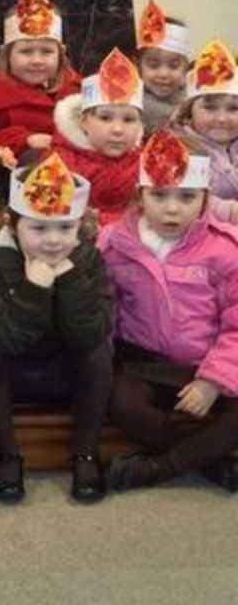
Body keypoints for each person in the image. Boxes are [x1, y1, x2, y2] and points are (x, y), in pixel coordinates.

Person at [102, 131, 238, 493]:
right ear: (140, 196)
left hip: (210, 362)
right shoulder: (114, 245)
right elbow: (106, 315)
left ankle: (159, 468)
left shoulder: (225, 251)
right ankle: (213, 464)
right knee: (120, 402)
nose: (173, 208)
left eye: (187, 196)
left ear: (206, 198)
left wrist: (213, 381)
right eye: (159, 195)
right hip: (146, 364)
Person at [0, 153, 111, 504]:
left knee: (100, 349)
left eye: (65, 228)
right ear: (13, 224)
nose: (53, 240)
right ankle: (7, 455)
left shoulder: (87, 259)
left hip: (65, 369)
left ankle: (86, 453)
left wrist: (68, 281)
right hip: (13, 371)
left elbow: (89, 334)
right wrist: (33, 290)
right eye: (38, 228)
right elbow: (3, 340)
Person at [0, 0, 81, 158]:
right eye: (26, 51)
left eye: (47, 52)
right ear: (6, 54)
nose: (37, 60)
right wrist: (25, 140)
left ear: (61, 53)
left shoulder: (76, 88)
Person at [52, 48, 144, 226]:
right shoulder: (61, 162)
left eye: (129, 119)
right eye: (105, 118)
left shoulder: (146, 164)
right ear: (83, 121)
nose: (118, 129)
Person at [168, 41, 238, 218]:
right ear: (189, 110)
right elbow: (182, 198)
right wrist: (228, 211)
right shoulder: (178, 149)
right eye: (210, 108)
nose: (222, 118)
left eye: (233, 109)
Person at [134, 0, 191, 134]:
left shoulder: (195, 100)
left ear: (185, 68)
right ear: (139, 67)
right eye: (153, 65)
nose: (164, 74)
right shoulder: (134, 106)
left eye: (173, 66)